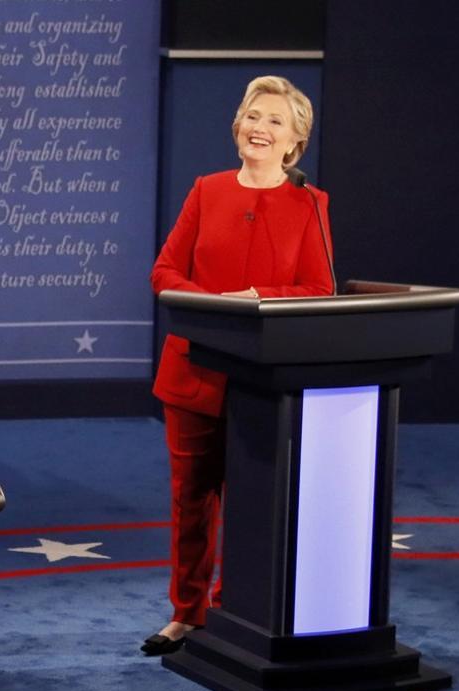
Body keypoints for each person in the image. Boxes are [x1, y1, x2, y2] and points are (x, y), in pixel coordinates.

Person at [141, 76, 335, 656]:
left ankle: (239, 610)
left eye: (275, 120)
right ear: (237, 125)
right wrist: (207, 304)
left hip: (263, 380)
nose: (260, 127)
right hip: (193, 371)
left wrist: (256, 295)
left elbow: (318, 289)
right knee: (191, 500)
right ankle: (186, 613)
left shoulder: (310, 204)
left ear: (295, 140)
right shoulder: (207, 190)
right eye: (253, 115)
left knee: (253, 501)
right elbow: (165, 272)